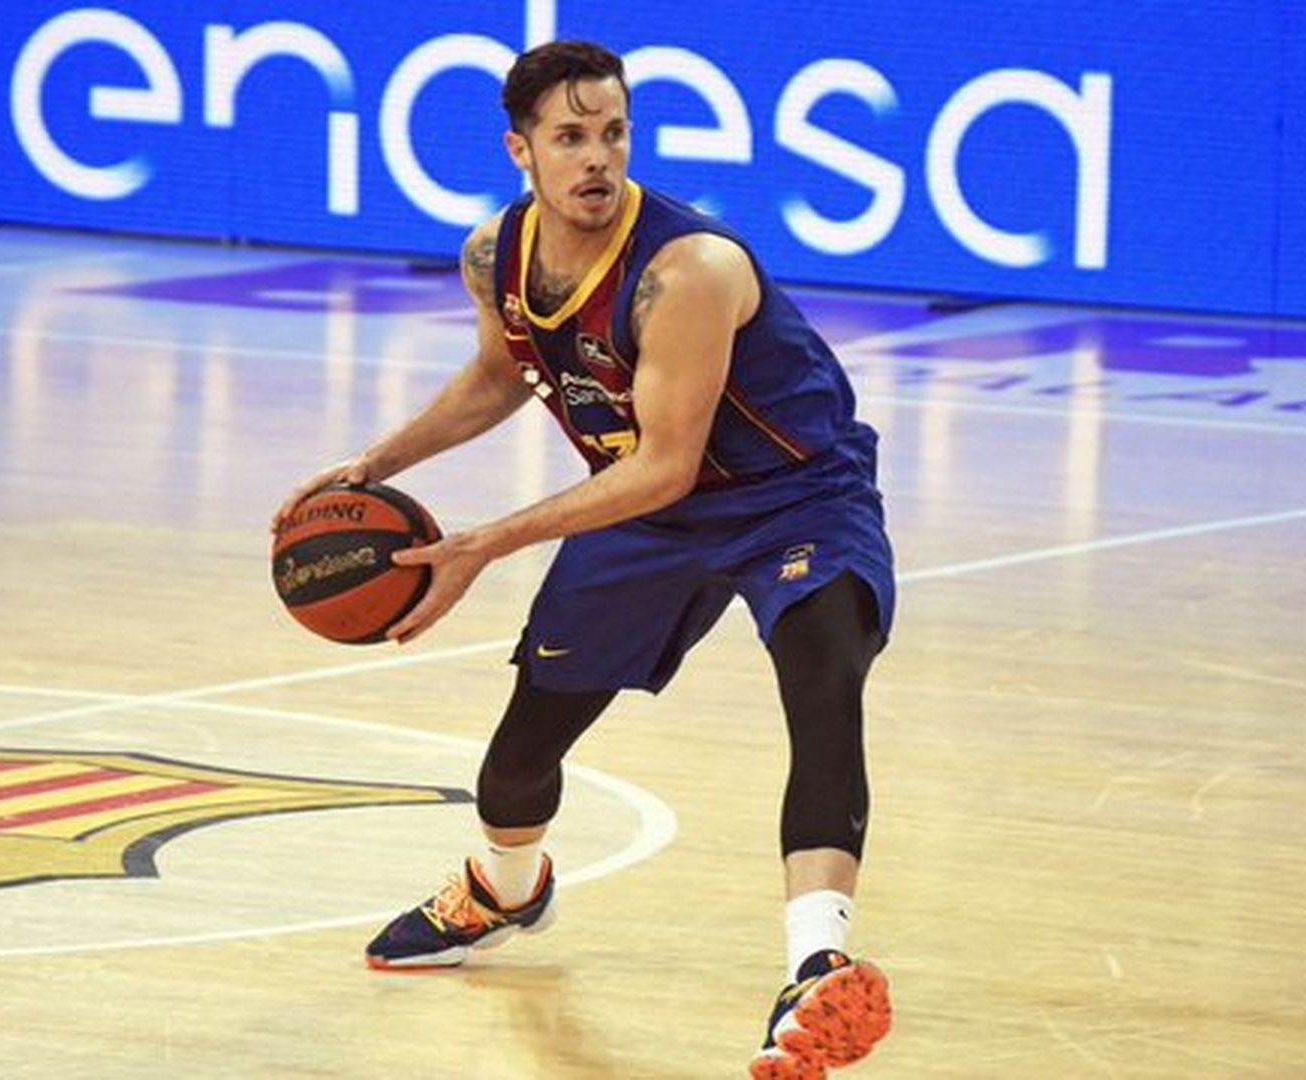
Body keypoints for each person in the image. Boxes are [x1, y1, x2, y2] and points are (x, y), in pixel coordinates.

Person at [274, 41, 895, 1079]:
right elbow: (501, 373)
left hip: (792, 499)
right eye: (570, 137)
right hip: (645, 518)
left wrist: (481, 544)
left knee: (825, 676)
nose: (597, 157)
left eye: (613, 132)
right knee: (520, 758)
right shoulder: (495, 256)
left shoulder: (688, 272)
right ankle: (504, 890)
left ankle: (815, 965)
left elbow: (665, 464)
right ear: (520, 150)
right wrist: (374, 465)